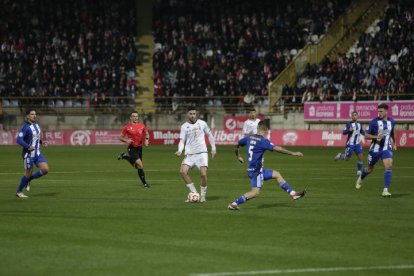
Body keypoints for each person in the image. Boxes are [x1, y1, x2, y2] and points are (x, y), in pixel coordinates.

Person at [228, 121, 306, 210]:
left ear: (257, 128)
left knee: (276, 174)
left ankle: (293, 194)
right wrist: (293, 153)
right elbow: (277, 148)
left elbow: (236, 145)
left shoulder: (249, 137)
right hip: (256, 171)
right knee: (255, 192)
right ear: (266, 131)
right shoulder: (263, 141)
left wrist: (238, 156)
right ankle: (234, 204)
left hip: (256, 169)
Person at [175, 106, 216, 202]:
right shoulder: (184, 126)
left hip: (202, 153)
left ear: (196, 114)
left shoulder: (202, 123)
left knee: (203, 174)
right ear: (187, 114)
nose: (193, 116)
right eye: (191, 114)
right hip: (190, 154)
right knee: (182, 172)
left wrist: (213, 148)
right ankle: (194, 193)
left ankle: (202, 197)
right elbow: (182, 140)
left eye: (194, 114)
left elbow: (210, 135)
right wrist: (180, 150)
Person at [355, 103, 397, 197]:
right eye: (378, 111)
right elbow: (365, 135)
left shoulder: (392, 121)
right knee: (370, 169)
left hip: (386, 148)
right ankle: (361, 177)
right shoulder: (374, 122)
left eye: (381, 111)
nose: (379, 113)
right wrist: (376, 136)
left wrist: (395, 142)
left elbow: (393, 131)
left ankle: (385, 190)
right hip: (375, 150)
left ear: (386, 111)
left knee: (389, 166)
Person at [15, 109, 49, 198]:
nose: (34, 116)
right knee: (27, 172)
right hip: (28, 154)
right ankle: (19, 192)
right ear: (27, 116)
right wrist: (27, 146)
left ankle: (29, 179)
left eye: (35, 114)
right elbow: (18, 139)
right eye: (32, 114)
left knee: (45, 169)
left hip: (37, 153)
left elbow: (36, 137)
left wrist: (41, 142)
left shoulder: (37, 125)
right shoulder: (25, 127)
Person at [118, 111, 150, 188]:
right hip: (131, 147)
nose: (135, 118)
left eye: (137, 116)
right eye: (134, 116)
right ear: (131, 118)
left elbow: (147, 134)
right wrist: (126, 140)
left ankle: (125, 156)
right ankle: (145, 183)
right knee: (140, 164)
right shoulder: (127, 127)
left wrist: (146, 140)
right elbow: (119, 137)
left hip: (139, 148)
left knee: (137, 166)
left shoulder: (142, 125)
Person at [334, 111, 365, 175]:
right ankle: (340, 156)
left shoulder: (359, 124)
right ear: (351, 117)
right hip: (350, 144)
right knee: (347, 158)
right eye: (353, 115)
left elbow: (362, 132)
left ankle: (359, 171)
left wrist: (370, 135)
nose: (354, 116)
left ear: (357, 116)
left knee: (361, 157)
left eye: (355, 115)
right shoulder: (349, 124)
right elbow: (344, 132)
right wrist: (348, 130)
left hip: (357, 144)